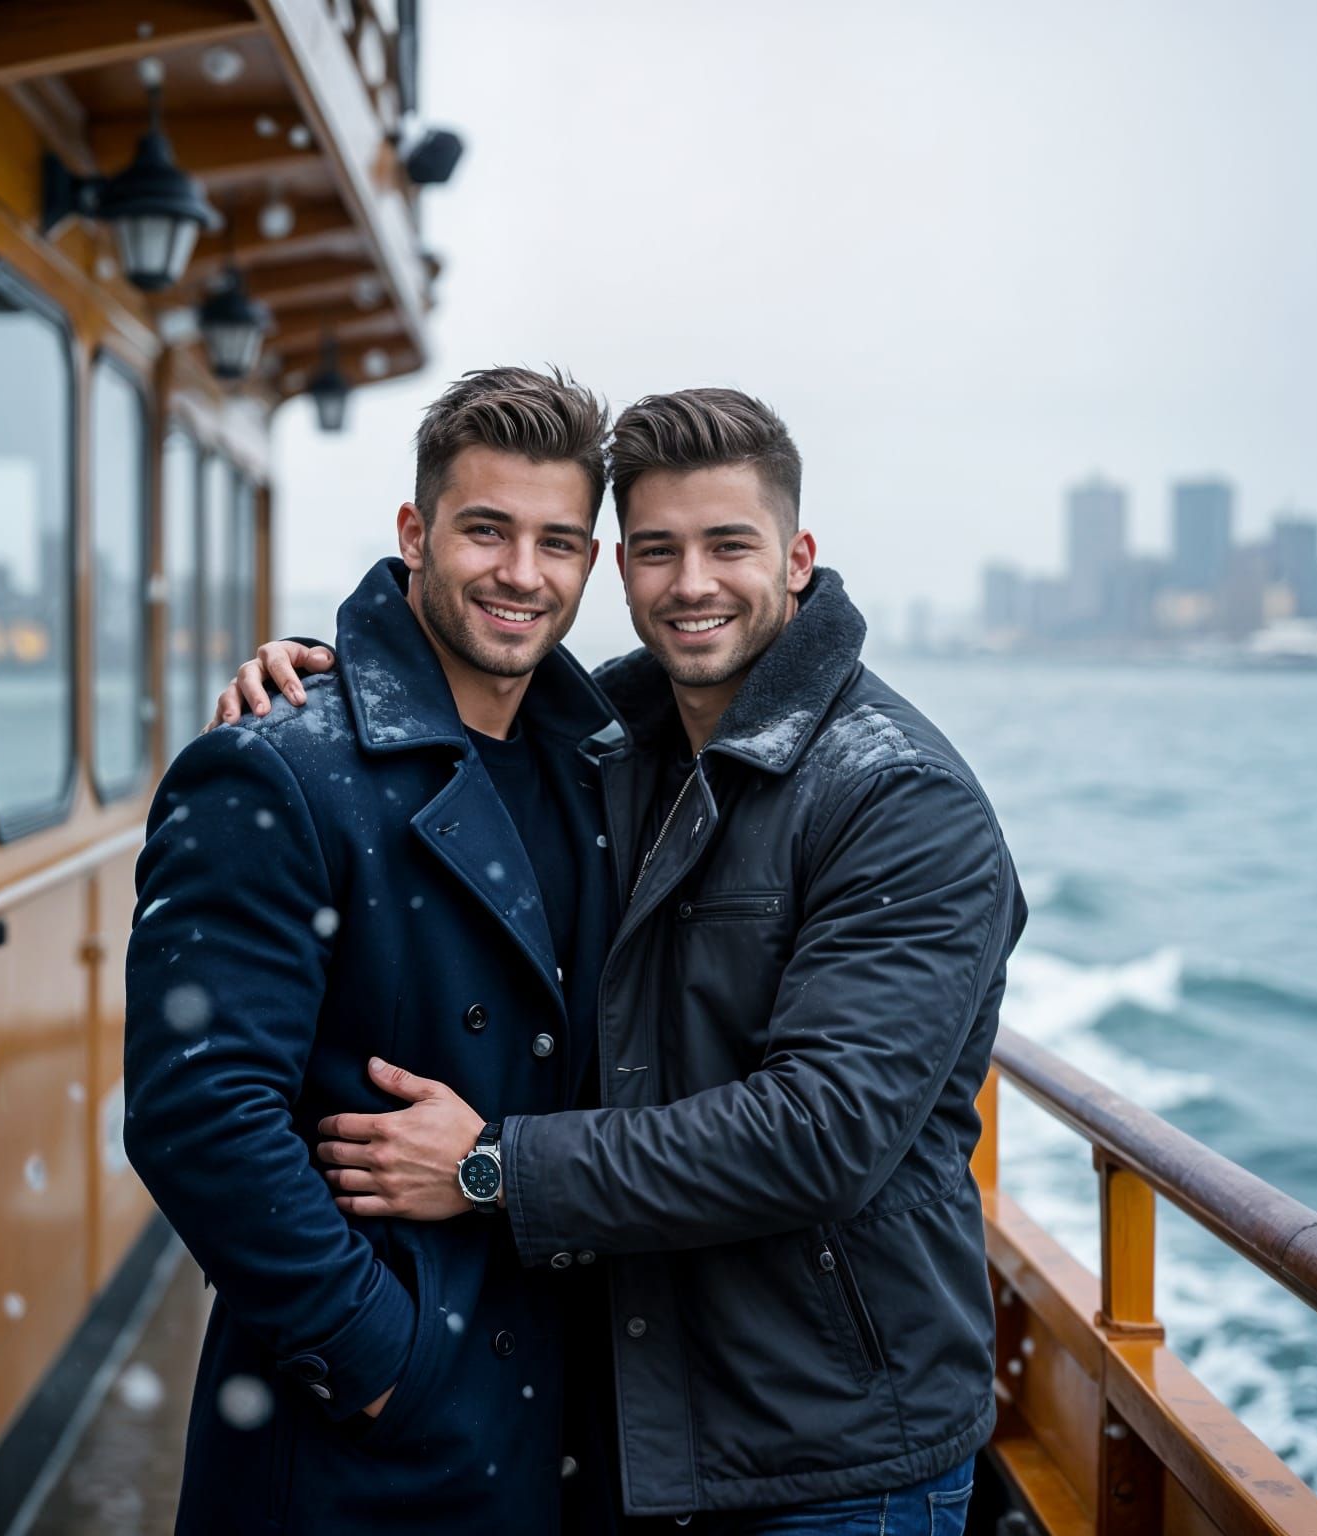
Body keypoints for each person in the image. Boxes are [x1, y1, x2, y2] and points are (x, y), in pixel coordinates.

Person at [216, 387, 1028, 1536]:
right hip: (636, 1428)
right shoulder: (613, 747)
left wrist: (493, 1168)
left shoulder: (898, 795)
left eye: (728, 546)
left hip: (832, 1457)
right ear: (625, 570)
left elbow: (827, 1130)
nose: (691, 583)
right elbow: (455, 702)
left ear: (797, 558)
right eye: (658, 550)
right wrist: (334, 679)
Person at [124, 367, 622, 1536]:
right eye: (485, 529)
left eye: (557, 541)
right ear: (415, 533)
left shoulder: (603, 764)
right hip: (365, 1444)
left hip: (562, 1426)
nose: (521, 572)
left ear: (591, 564)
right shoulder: (277, 764)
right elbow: (197, 1113)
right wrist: (379, 1357)